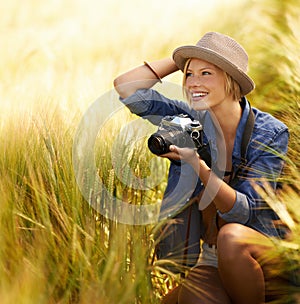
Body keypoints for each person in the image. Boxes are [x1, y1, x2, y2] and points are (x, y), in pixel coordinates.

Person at [113, 32, 289, 304]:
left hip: (260, 251)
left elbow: (244, 211)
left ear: (231, 80)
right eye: (189, 75)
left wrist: (197, 166)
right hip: (212, 256)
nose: (193, 83)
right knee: (191, 300)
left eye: (205, 73)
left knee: (231, 237)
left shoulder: (270, 133)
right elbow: (127, 88)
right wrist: (178, 59)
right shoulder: (188, 121)